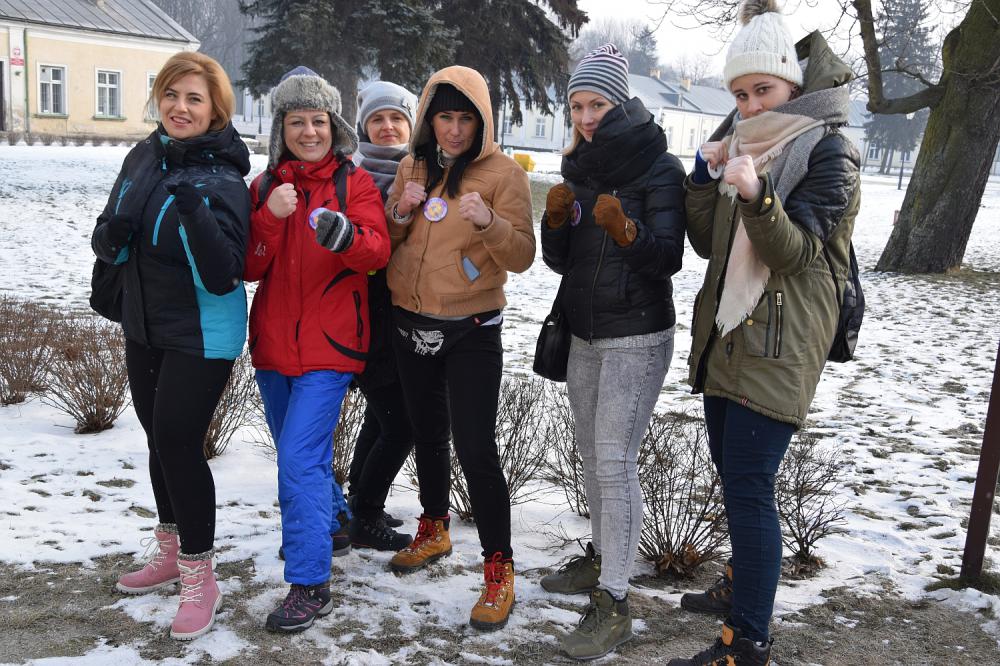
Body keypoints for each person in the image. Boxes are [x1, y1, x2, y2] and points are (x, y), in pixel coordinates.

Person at [667, 2, 861, 664]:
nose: (750, 106)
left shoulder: (830, 150)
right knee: (735, 479)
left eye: (763, 90)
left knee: (750, 490)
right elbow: (705, 243)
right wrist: (704, 180)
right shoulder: (746, 145)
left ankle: (746, 641)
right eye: (740, 94)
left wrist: (757, 196)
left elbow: (795, 253)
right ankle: (741, 583)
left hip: (778, 346)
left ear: (794, 87)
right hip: (729, 337)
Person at [537, 44, 687, 660]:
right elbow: (562, 263)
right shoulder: (580, 166)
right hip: (584, 332)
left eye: (596, 104)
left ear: (620, 103)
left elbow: (669, 257)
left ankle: (616, 603)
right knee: (591, 456)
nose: (585, 117)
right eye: (576, 106)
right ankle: (603, 558)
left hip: (637, 335)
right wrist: (554, 224)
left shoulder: (659, 166)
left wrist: (627, 231)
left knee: (614, 461)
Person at [95, 51, 250, 640]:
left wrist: (193, 211)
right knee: (157, 440)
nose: (179, 108)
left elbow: (223, 274)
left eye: (194, 99)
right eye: (171, 95)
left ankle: (199, 578)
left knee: (179, 444)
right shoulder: (145, 156)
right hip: (145, 323)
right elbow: (109, 235)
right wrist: (109, 237)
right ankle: (168, 549)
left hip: (202, 332)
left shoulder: (224, 178)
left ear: (215, 110)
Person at [384, 65, 535, 631]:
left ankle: (498, 569)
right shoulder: (413, 166)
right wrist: (401, 208)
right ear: (429, 118)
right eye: (444, 117)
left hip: (472, 325)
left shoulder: (504, 175)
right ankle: (434, 527)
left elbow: (522, 255)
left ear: (482, 121)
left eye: (465, 118)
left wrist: (489, 221)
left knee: (475, 447)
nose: (453, 129)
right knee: (426, 431)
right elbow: (389, 236)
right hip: (410, 317)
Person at [243, 67, 390, 633]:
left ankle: (310, 583)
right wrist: (269, 219)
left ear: (335, 126)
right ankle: (331, 521)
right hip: (273, 345)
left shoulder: (355, 184)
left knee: (298, 460)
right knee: (299, 453)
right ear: (281, 129)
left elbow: (376, 252)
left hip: (331, 347)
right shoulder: (264, 187)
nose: (309, 132)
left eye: (319, 121)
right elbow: (250, 266)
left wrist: (345, 236)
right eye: (297, 121)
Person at [345, 81, 420, 550]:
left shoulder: (426, 174)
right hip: (365, 317)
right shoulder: (353, 177)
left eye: (397, 118)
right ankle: (366, 513)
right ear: (363, 126)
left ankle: (360, 500)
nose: (388, 126)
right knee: (401, 423)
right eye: (377, 118)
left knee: (381, 415)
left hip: (409, 316)